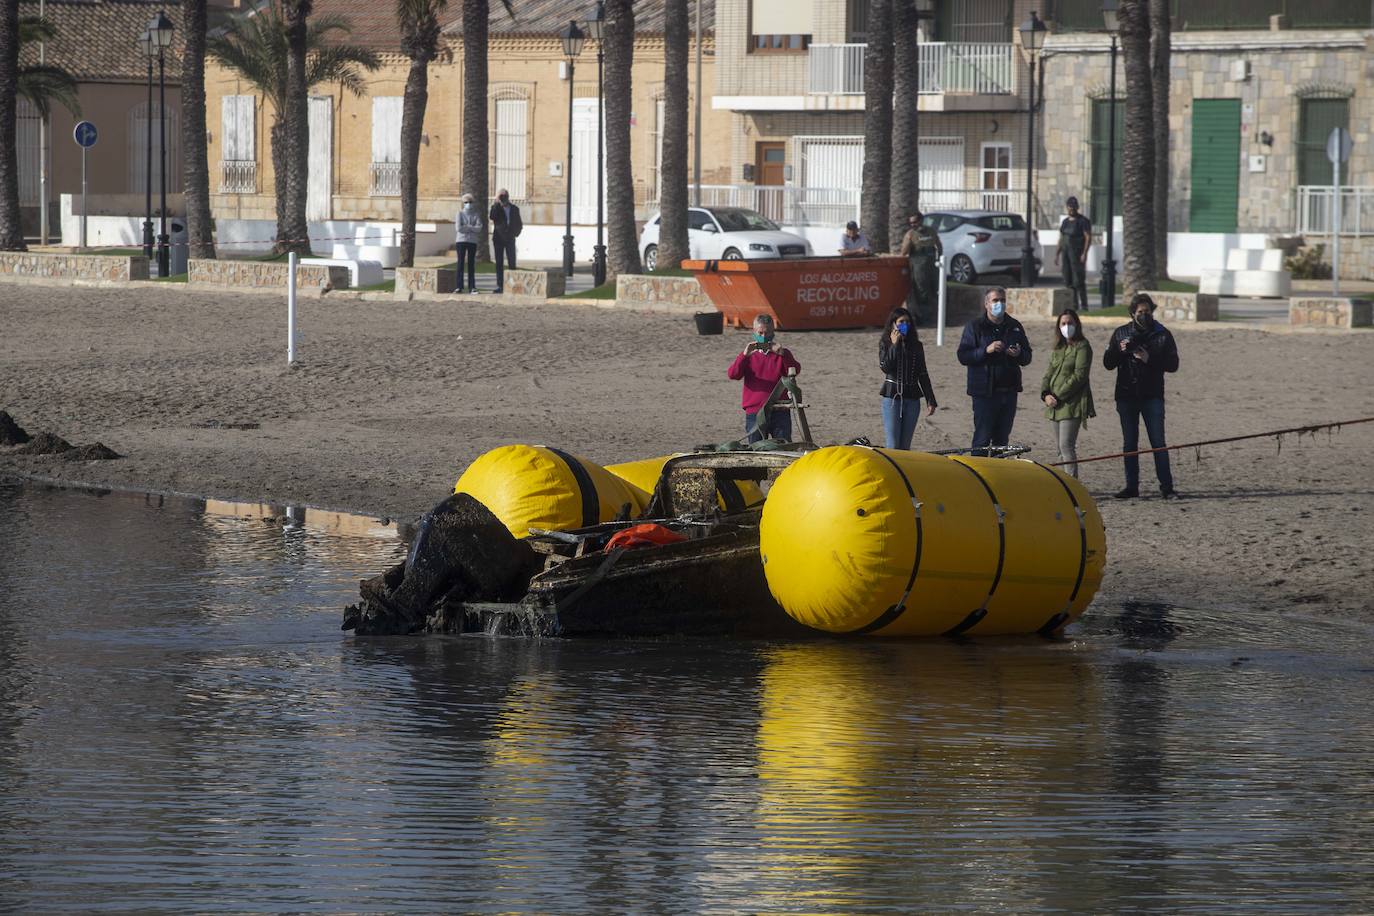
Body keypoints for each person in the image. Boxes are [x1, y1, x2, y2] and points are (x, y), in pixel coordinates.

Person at [1103, 292, 1180, 499]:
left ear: (1152, 312)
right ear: (1132, 313)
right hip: (1127, 395)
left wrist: (1149, 358)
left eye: (1147, 311)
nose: (1143, 315)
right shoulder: (1121, 333)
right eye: (1140, 312)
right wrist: (1119, 351)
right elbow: (1108, 363)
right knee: (1130, 444)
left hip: (1152, 395)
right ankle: (1131, 486)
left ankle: (1166, 487)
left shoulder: (1162, 334)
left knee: (1158, 442)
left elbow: (1173, 365)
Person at [956, 287, 1032, 455]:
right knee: (982, 439)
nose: (1000, 304)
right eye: (995, 301)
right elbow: (963, 356)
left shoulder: (1014, 326)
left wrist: (1019, 354)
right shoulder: (975, 326)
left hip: (1009, 392)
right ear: (986, 304)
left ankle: (997, 475)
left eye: (1003, 300)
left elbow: (1027, 357)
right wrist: (985, 350)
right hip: (984, 393)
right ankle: (977, 476)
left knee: (1002, 440)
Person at [1039, 308, 1095, 477]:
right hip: (1054, 405)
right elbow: (1049, 372)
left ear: (1077, 324)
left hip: (1072, 404)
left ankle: (1072, 486)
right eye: (1063, 323)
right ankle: (1063, 484)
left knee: (1066, 446)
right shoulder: (1059, 347)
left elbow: (1079, 376)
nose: (1067, 326)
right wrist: (1045, 393)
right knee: (1059, 449)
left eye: (1070, 323)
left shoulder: (1083, 346)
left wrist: (1057, 396)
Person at [727, 314, 800, 443]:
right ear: (754, 332)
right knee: (756, 449)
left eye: (767, 333)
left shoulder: (783, 354)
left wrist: (783, 355)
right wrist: (744, 355)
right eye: (759, 333)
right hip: (755, 412)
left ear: (773, 333)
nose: (763, 337)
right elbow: (733, 374)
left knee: (783, 446)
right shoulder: (748, 356)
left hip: (780, 410)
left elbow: (795, 370)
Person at [878, 306, 937, 450]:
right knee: (893, 445)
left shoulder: (916, 345)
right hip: (892, 398)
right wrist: (894, 345)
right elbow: (885, 367)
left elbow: (923, 373)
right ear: (893, 324)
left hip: (912, 398)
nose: (905, 325)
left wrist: (930, 399)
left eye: (908, 322)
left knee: (905, 447)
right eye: (901, 322)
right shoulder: (885, 343)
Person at [899, 212, 943, 321]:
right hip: (918, 265)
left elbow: (938, 245)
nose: (913, 225)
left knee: (935, 288)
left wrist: (940, 258)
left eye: (915, 222)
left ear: (921, 220)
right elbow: (903, 252)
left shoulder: (930, 231)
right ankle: (922, 317)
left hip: (932, 264)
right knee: (921, 289)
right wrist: (908, 241)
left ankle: (937, 315)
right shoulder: (910, 234)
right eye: (911, 223)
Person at [1056, 196, 1092, 312]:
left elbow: (1087, 237)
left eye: (1073, 207)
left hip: (1077, 254)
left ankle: (1084, 305)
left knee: (1079, 280)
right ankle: (1073, 305)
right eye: (1069, 207)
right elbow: (1061, 238)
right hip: (1066, 254)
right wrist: (1057, 254)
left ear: (1077, 207)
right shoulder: (1065, 222)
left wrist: (1084, 253)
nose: (1071, 209)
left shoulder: (1083, 221)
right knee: (1068, 280)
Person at [489, 188, 522, 294]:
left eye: (505, 195)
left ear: (508, 196)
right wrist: (496, 202)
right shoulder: (496, 207)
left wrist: (515, 233)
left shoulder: (514, 208)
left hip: (510, 239)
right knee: (499, 263)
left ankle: (512, 286)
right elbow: (492, 216)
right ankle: (500, 286)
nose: (504, 198)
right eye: (501, 196)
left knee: (512, 262)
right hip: (498, 239)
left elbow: (519, 224)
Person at [454, 193, 482, 294]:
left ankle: (472, 287)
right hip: (461, 241)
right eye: (466, 202)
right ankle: (459, 287)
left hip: (472, 242)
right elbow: (458, 228)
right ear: (463, 203)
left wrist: (467, 226)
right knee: (460, 263)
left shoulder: (476, 214)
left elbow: (479, 228)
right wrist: (471, 227)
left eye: (470, 202)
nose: (468, 204)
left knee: (471, 265)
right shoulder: (459, 213)